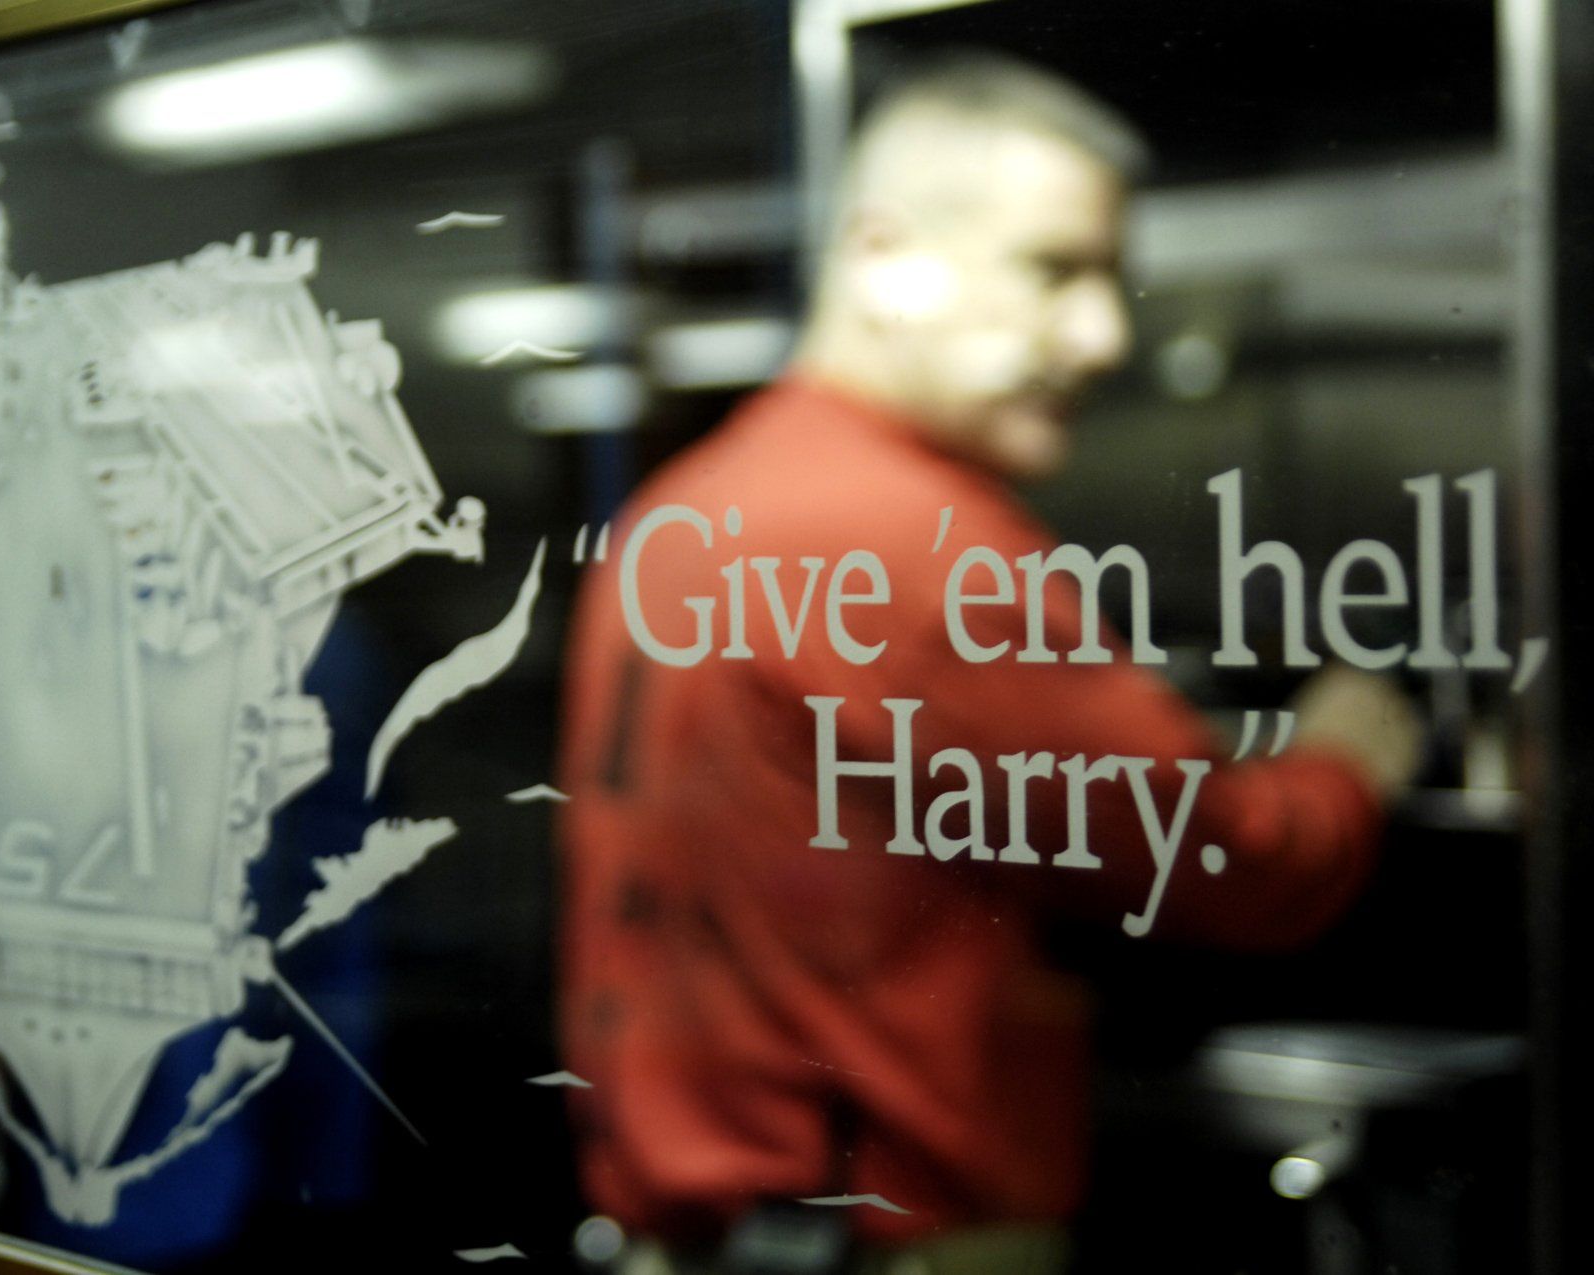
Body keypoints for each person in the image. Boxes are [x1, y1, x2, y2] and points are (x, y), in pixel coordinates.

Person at [555, 56, 1422, 1275]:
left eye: (1110, 282)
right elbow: (1228, 860)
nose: (1104, 336)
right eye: (1053, 271)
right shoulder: (909, 549)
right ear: (881, 256)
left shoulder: (684, 511)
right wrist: (1342, 759)